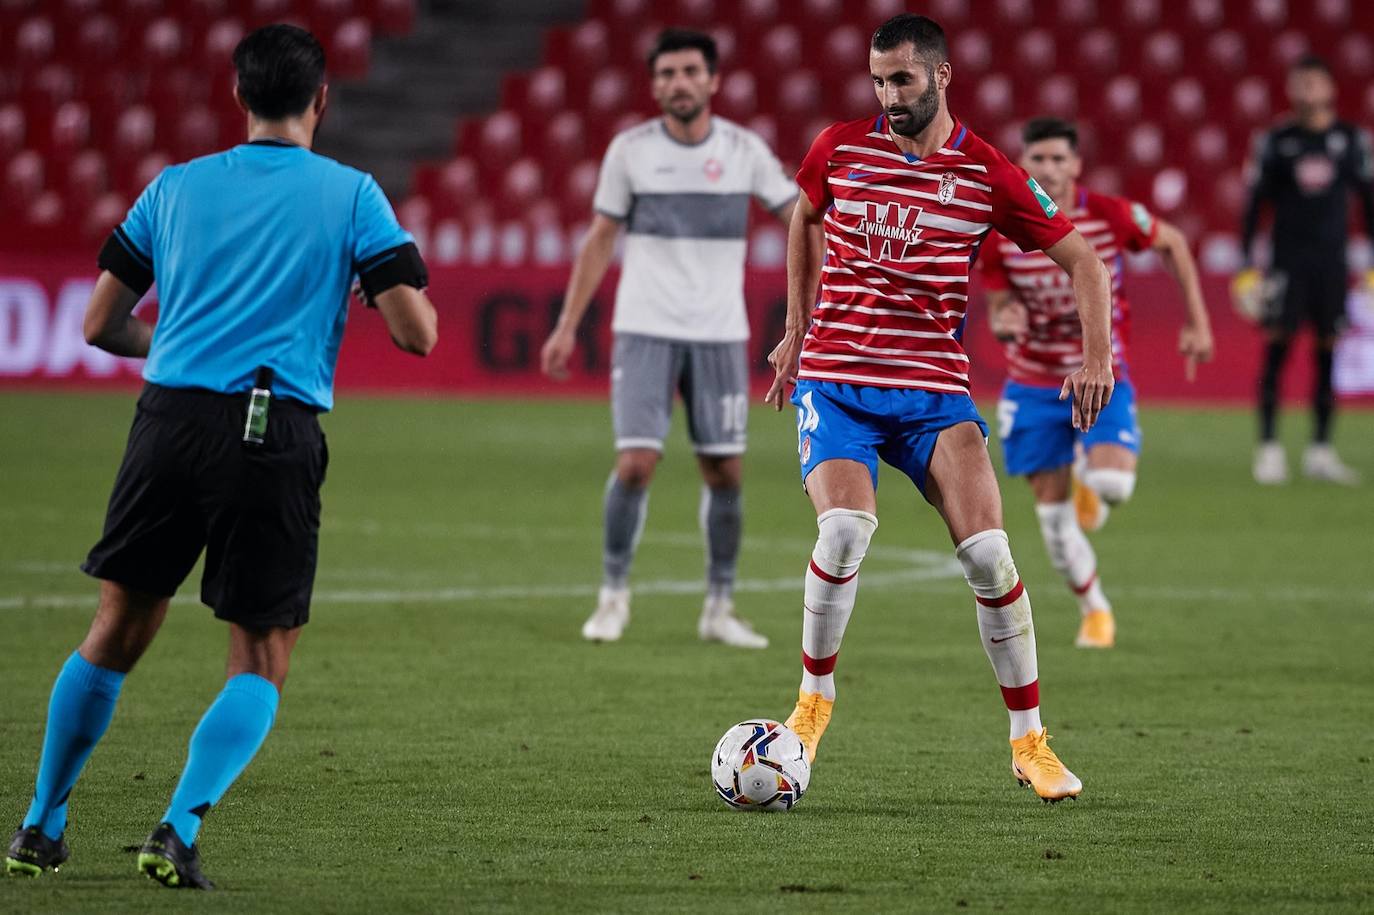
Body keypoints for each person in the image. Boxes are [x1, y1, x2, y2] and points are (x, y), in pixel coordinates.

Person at [4, 25, 436, 889]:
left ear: (238, 99)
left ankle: (38, 827)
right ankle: (177, 828)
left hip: (164, 422)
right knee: (262, 651)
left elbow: (98, 325)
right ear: (321, 100)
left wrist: (168, 335)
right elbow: (415, 332)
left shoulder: (174, 187)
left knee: (115, 628)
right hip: (271, 428)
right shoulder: (352, 195)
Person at [764, 14, 1114, 802]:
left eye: (904, 80)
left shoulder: (986, 172)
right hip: (838, 382)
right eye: (879, 81)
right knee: (845, 528)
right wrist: (796, 328)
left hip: (932, 392)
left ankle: (1031, 743)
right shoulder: (839, 148)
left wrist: (1099, 356)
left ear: (942, 76)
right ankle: (813, 702)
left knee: (990, 554)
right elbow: (805, 217)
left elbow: (1082, 257)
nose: (889, 96)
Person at [540, 28, 797, 648]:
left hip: (718, 333)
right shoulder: (630, 152)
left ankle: (719, 605)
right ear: (654, 85)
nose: (677, 83)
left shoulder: (744, 151)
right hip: (645, 327)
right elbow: (600, 238)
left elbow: (799, 217)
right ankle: (613, 596)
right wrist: (568, 325)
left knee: (726, 472)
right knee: (635, 464)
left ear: (712, 80)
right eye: (666, 74)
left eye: (688, 72)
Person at [978, 117, 1214, 649]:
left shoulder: (1109, 216)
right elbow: (997, 304)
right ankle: (1096, 610)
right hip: (1034, 382)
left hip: (1102, 373)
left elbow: (1173, 242)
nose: (1049, 169)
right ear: (1024, 165)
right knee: (1056, 523)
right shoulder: (1003, 226)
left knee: (1111, 487)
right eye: (1038, 159)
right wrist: (1003, 319)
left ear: (1077, 165)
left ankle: (1090, 470)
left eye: (1060, 159)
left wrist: (1197, 321)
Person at [1235, 53, 1374, 485]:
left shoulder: (1351, 141)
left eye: (1313, 83)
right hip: (1286, 264)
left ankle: (1320, 449)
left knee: (1328, 353)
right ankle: (1270, 448)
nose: (1305, 91)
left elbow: (1369, 203)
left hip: (1332, 264)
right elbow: (1255, 206)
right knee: (1277, 349)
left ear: (1330, 89)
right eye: (1299, 83)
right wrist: (1246, 266)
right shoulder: (1277, 141)